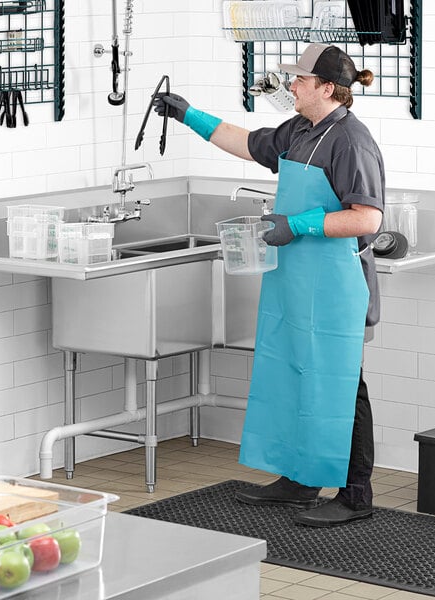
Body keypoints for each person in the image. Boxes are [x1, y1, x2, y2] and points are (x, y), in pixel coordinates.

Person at [154, 43, 384, 527]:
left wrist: (298, 225)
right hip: (296, 280)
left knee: (342, 387)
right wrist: (188, 115)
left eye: (299, 80)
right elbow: (249, 143)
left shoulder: (352, 142)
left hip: (335, 286)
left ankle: (356, 493)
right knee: (293, 371)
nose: (291, 86)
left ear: (327, 88)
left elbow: (366, 218)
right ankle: (300, 479)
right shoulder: (301, 130)